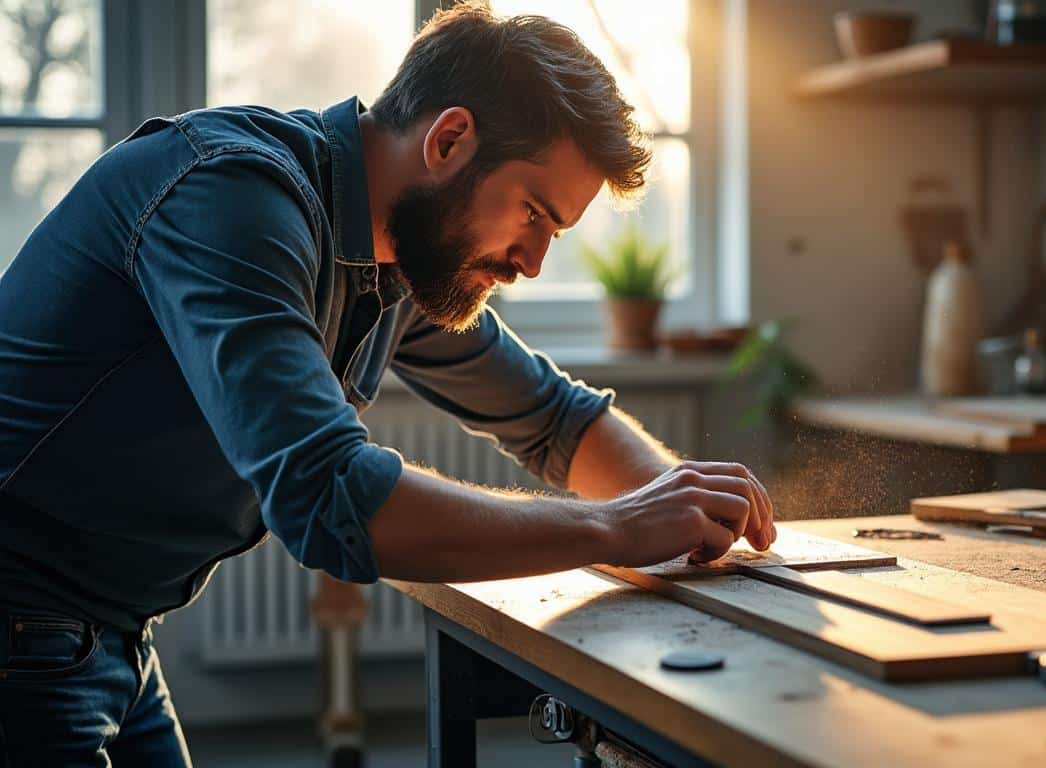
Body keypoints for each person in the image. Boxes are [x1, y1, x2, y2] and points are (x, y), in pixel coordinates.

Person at [0, 4, 775, 764]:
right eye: (532, 213)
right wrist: (617, 528)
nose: (532, 262)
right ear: (449, 140)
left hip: (109, 634)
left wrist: (685, 506)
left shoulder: (397, 260)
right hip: (21, 624)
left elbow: (553, 419)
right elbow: (331, 496)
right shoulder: (232, 197)